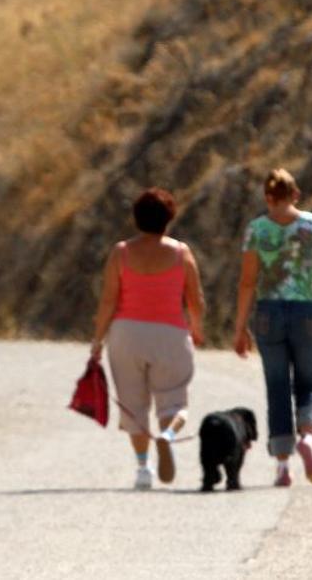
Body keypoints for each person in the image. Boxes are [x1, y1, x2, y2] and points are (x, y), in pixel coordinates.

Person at [233, 169, 312, 487]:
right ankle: (307, 436)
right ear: (296, 194)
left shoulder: (257, 229)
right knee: (308, 382)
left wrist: (240, 328)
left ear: (268, 197)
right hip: (307, 310)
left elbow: (247, 283)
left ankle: (282, 466)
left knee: (277, 385)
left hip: (269, 312)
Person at [92, 188, 206, 490]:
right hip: (170, 333)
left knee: (133, 403)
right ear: (169, 218)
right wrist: (195, 328)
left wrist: (97, 341)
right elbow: (194, 300)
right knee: (174, 400)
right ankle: (167, 435)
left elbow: (108, 301)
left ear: (136, 218)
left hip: (127, 334)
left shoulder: (121, 253)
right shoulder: (181, 253)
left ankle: (143, 468)